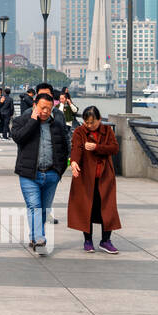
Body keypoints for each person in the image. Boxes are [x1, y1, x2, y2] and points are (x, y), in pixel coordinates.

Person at [11, 92, 70, 255]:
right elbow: (18, 138)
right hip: (29, 174)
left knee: (44, 209)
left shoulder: (57, 125)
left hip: (51, 174)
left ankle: (34, 236)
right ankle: (40, 238)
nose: (45, 111)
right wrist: (33, 120)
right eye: (42, 107)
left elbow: (65, 148)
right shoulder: (21, 121)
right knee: (34, 206)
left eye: (49, 109)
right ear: (35, 105)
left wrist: (59, 172)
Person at [69, 106, 121, 254]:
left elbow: (114, 148)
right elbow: (76, 149)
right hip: (86, 177)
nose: (90, 125)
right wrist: (74, 162)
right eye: (87, 122)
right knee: (86, 208)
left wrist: (97, 147)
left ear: (99, 119)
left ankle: (106, 240)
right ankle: (88, 240)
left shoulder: (107, 131)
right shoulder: (80, 131)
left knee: (108, 209)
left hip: (105, 176)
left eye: (93, 122)